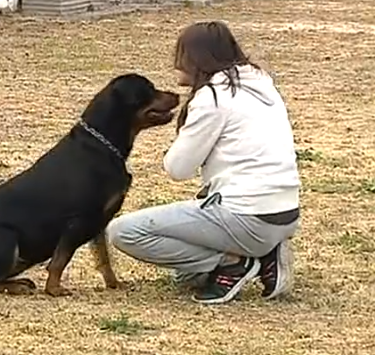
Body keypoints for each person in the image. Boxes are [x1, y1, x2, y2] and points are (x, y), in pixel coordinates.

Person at [107, 20, 300, 304]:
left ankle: (234, 261)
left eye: (182, 56)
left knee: (125, 232)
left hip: (247, 216)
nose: (177, 64)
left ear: (198, 59)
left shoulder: (213, 98)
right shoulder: (262, 84)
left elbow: (178, 169)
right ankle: (264, 252)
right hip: (286, 212)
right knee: (186, 276)